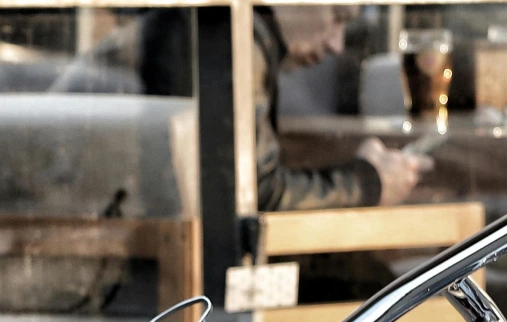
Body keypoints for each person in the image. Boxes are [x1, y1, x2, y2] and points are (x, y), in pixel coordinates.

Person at [137, 7, 431, 211]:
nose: (337, 45)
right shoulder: (234, 33)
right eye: (336, 16)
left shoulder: (240, 31)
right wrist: (366, 183)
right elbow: (255, 195)